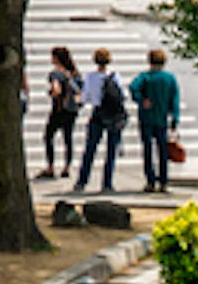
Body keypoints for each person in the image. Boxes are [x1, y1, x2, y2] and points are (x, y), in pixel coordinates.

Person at [77, 47, 131, 195]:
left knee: (90, 149)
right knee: (111, 151)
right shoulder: (115, 76)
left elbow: (85, 98)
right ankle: (107, 183)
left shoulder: (90, 77)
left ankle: (82, 181)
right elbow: (122, 95)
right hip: (114, 115)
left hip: (98, 113)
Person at [134, 48, 186, 196]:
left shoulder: (145, 77)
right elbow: (174, 100)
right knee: (163, 151)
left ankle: (150, 180)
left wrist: (141, 99)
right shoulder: (169, 79)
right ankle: (163, 181)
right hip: (162, 119)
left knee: (148, 149)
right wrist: (175, 118)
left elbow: (133, 88)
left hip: (146, 118)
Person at [46, 45, 85, 183]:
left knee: (48, 135)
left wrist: (52, 93)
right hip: (72, 110)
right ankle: (67, 167)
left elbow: (56, 90)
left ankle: (51, 167)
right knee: (68, 137)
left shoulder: (56, 73)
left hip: (59, 110)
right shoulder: (74, 73)